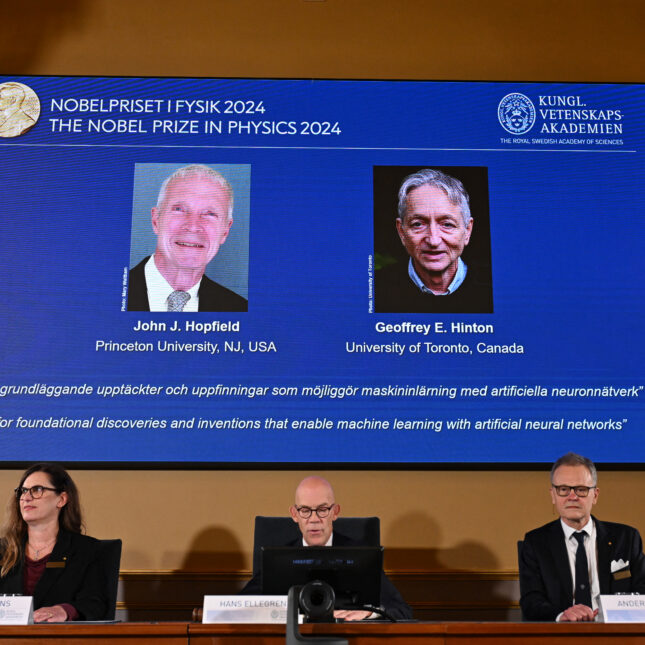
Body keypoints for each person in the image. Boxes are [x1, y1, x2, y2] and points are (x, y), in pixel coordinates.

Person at [241, 476, 413, 621]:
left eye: (322, 509)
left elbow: (402, 611)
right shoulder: (277, 559)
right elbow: (241, 606)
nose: (314, 519)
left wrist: (370, 612)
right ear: (295, 515)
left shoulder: (361, 555)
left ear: (335, 512)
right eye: (305, 510)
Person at [519, 452, 645, 621]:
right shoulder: (535, 543)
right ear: (553, 495)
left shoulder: (627, 538)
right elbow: (531, 602)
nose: (573, 497)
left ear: (595, 495)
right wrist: (561, 615)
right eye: (563, 489)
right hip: (561, 635)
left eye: (581, 489)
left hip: (616, 633)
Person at [127, 164, 248, 312]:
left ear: (225, 231)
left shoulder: (238, 308)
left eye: (209, 214)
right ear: (156, 220)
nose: (193, 226)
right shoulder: (108, 293)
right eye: (179, 209)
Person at [0, 463, 109, 622]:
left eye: (37, 490)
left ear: (62, 499)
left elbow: (95, 604)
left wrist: (64, 610)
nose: (26, 497)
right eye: (23, 491)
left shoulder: (86, 550)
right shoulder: (3, 550)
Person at [375, 168, 492, 313]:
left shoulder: (495, 288)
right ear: (401, 232)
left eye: (447, 224)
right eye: (418, 224)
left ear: (467, 230)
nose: (433, 241)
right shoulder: (376, 288)